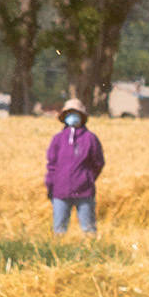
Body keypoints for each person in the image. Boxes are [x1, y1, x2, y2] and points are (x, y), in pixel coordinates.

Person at [46, 100, 104, 233]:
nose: (72, 116)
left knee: (88, 230)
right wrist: (50, 186)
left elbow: (98, 163)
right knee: (59, 230)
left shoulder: (90, 138)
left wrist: (87, 178)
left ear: (82, 116)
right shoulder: (58, 139)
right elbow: (51, 165)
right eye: (69, 113)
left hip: (84, 192)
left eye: (75, 113)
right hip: (60, 191)